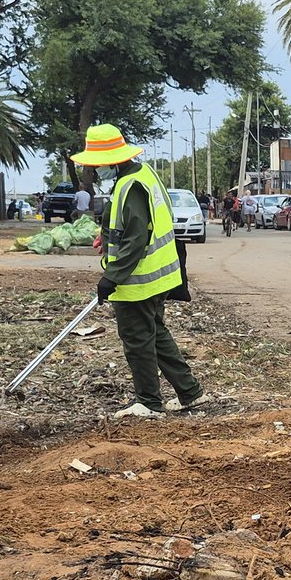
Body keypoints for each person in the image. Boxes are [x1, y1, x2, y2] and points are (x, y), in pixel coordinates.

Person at [71, 124, 212, 418]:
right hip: (159, 277)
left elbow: (137, 239)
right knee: (155, 334)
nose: (96, 171)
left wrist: (111, 277)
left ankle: (148, 402)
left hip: (138, 282)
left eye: (98, 165)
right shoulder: (144, 174)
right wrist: (107, 238)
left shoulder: (129, 186)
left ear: (112, 160)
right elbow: (136, 226)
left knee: (138, 340)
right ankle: (190, 392)